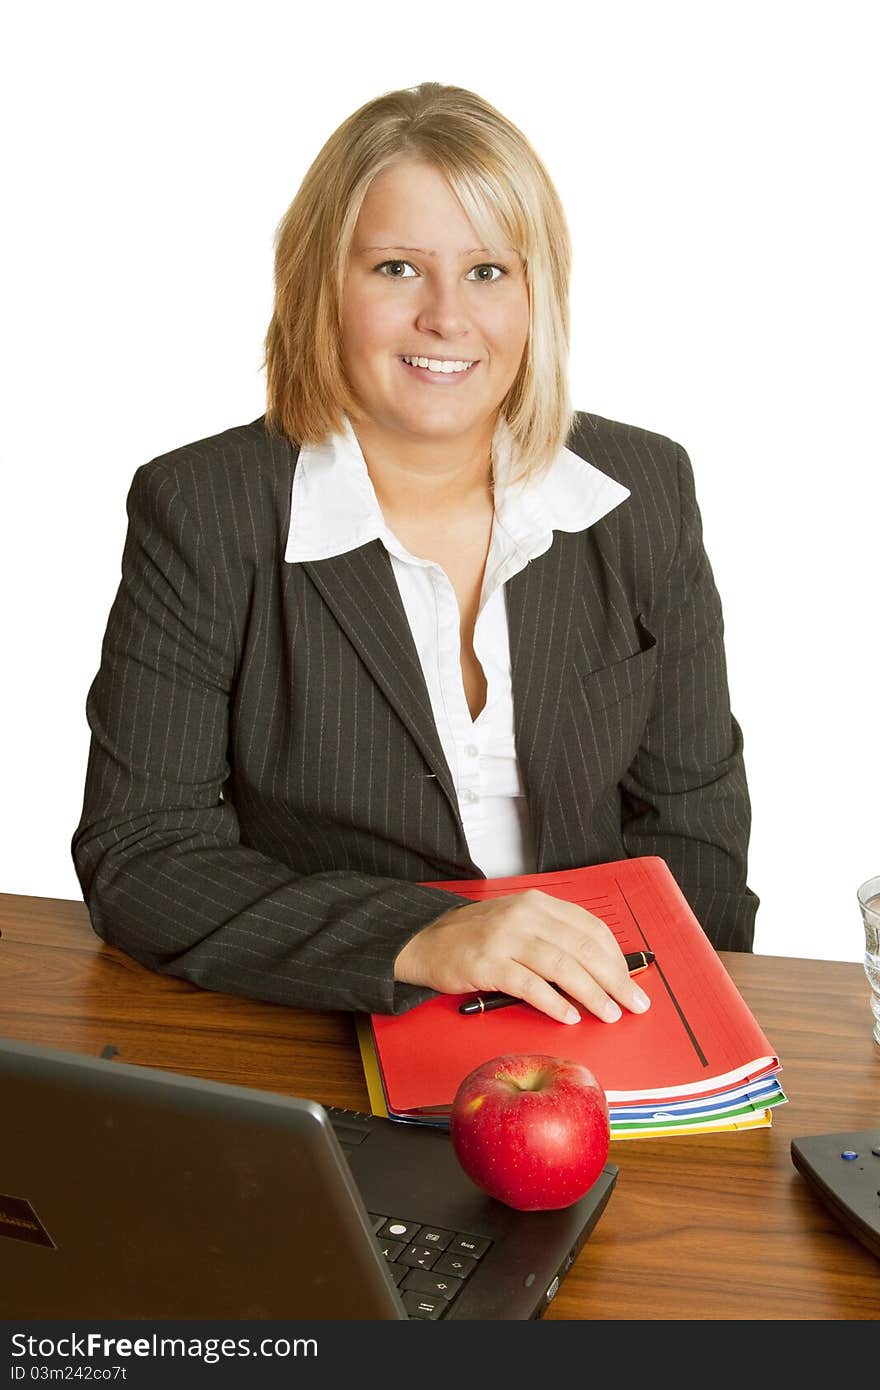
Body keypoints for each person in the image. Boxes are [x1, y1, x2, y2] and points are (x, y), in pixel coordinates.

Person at [72, 81, 758, 1028]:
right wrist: (419, 936)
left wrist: (686, 1037)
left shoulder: (644, 491)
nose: (446, 316)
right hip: (332, 1021)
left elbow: (696, 824)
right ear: (322, 282)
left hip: (608, 1020)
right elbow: (142, 851)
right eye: (397, 268)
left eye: (488, 271)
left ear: (536, 294)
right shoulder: (205, 510)